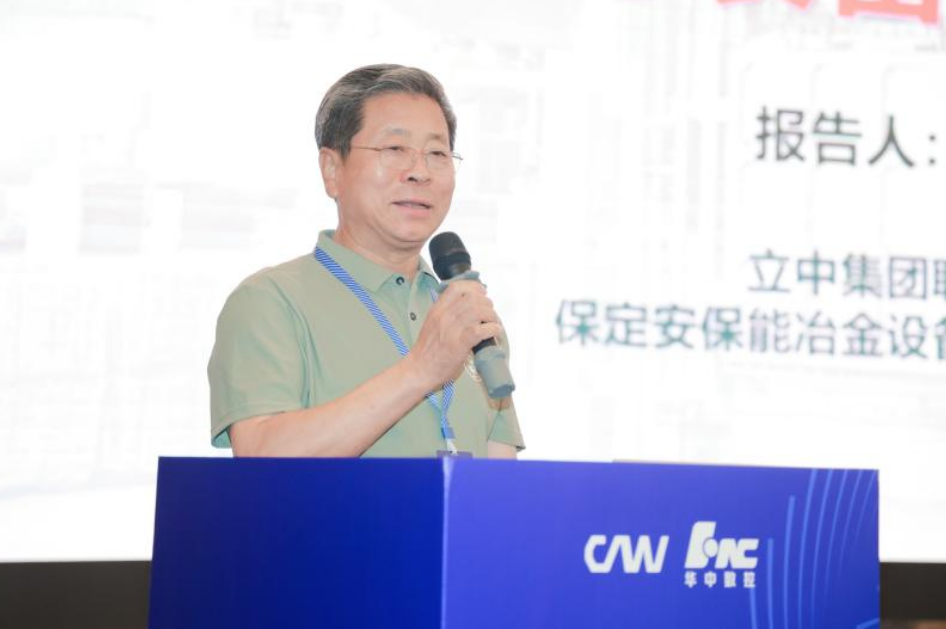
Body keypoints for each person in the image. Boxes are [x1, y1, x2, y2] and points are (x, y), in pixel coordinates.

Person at [207, 64, 525, 458]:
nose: (420, 172)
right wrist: (421, 369)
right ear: (332, 169)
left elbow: (501, 479)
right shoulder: (270, 301)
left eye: (437, 153)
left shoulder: (467, 314)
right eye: (394, 149)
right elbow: (262, 456)